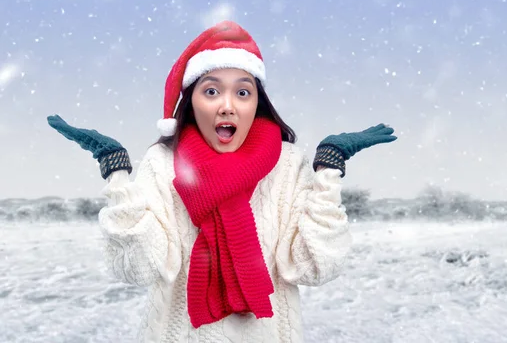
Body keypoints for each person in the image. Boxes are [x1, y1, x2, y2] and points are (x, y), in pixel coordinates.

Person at [47, 20, 396, 342]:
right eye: (211, 91)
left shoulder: (287, 164)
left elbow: (315, 266)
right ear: (192, 102)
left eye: (242, 93)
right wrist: (117, 175)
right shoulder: (163, 164)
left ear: (257, 103)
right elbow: (140, 267)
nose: (227, 106)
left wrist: (327, 171)